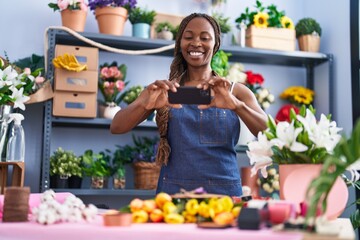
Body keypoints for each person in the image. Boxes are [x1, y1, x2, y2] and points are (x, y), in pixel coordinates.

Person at [111, 13, 267, 197]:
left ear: (215, 44)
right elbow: (117, 126)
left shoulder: (236, 92)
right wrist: (146, 105)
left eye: (204, 38)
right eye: (189, 37)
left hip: (224, 194)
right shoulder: (162, 91)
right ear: (180, 43)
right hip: (173, 193)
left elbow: (268, 132)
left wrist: (237, 106)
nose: (196, 43)